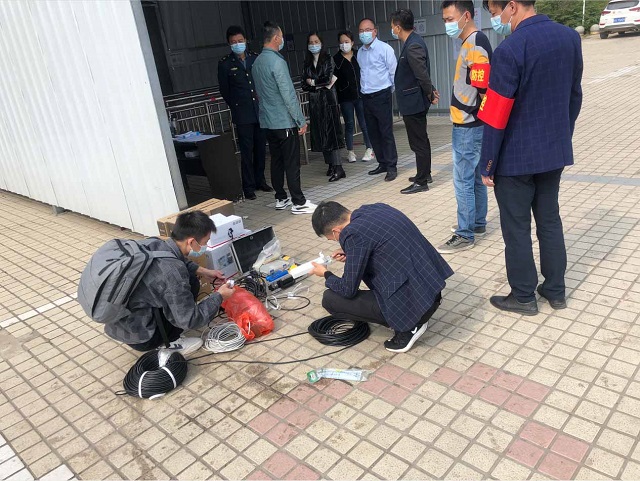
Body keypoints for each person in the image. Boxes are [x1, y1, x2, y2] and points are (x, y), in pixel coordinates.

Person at [478, 0, 583, 315]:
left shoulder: (510, 49)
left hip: (515, 159)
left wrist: (487, 163)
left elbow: (496, 114)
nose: (497, 20)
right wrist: (561, 137)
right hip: (553, 152)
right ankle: (556, 290)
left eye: (495, 13)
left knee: (517, 228)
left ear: (511, 6)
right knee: (550, 221)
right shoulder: (569, 38)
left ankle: (523, 297)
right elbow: (574, 95)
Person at [310, 202, 454, 353]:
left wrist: (325, 274)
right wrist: (352, 253)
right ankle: (417, 314)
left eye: (333, 239)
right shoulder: (376, 209)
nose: (337, 241)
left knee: (330, 299)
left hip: (412, 303)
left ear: (336, 231)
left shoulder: (352, 233)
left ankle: (409, 327)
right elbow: (382, 242)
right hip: (432, 288)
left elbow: (347, 289)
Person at [104, 211, 234, 354]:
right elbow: (191, 320)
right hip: (142, 336)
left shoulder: (157, 243)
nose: (206, 245)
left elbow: (180, 260)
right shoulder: (173, 273)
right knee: (186, 295)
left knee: (191, 280)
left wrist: (204, 271)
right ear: (191, 242)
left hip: (122, 322)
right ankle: (170, 343)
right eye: (205, 242)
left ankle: (167, 328)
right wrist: (219, 296)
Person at [437, 1, 492, 254]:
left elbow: (484, 88)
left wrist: (474, 115)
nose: (447, 24)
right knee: (474, 177)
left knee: (463, 180)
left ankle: (464, 233)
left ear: (466, 16)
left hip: (468, 124)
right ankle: (477, 223)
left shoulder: (475, 43)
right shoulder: (470, 42)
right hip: (470, 122)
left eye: (450, 19)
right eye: (445, 20)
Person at [252, 21, 317, 215]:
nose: (282, 40)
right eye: (281, 37)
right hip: (284, 121)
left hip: (267, 121)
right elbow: (288, 94)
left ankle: (280, 197)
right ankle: (298, 201)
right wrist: (300, 120)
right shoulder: (277, 62)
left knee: (277, 161)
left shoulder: (256, 63)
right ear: (276, 38)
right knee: (292, 162)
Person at [218, 26, 273, 201]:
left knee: (261, 149)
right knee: (247, 152)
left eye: (240, 41)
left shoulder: (255, 58)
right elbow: (225, 91)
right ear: (229, 43)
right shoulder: (225, 63)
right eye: (233, 42)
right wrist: (237, 106)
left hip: (259, 111)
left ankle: (260, 181)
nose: (237, 44)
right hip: (242, 114)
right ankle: (248, 186)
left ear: (246, 40)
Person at [390, 9, 439, 196]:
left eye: (392, 26)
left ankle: (422, 181)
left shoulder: (413, 45)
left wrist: (430, 93)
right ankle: (425, 174)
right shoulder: (413, 41)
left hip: (414, 102)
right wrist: (431, 90)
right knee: (421, 140)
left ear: (398, 27)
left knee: (418, 143)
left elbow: (421, 74)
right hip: (413, 100)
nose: (392, 29)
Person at [357, 18, 399, 182]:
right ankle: (382, 163)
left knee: (385, 132)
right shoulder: (360, 52)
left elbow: (393, 72)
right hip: (366, 96)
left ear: (375, 31)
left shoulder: (385, 49)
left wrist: (389, 92)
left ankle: (391, 166)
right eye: (361, 31)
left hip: (382, 95)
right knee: (373, 132)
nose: (364, 33)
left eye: (367, 30)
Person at [301, 31, 346, 182]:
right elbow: (303, 84)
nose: (313, 45)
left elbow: (327, 79)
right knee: (321, 133)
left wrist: (313, 82)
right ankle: (330, 164)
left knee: (332, 133)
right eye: (311, 42)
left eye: (316, 42)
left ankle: (339, 167)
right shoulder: (307, 63)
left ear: (321, 43)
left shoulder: (328, 59)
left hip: (328, 100)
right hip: (315, 102)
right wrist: (315, 84)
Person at [333, 31, 374, 163]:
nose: (344, 44)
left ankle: (369, 149)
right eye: (341, 42)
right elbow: (333, 79)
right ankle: (350, 152)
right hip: (345, 97)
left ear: (352, 42)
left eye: (346, 42)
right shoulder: (336, 59)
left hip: (360, 95)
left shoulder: (359, 54)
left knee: (364, 123)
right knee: (349, 124)